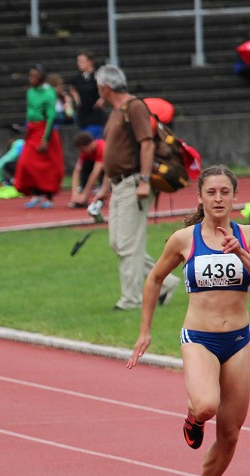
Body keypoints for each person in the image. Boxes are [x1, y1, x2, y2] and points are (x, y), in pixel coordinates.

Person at [128, 166, 250, 476]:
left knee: (230, 433)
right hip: (199, 338)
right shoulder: (184, 239)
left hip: (239, 340)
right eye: (211, 192)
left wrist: (240, 252)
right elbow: (154, 278)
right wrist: (144, 331)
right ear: (200, 197)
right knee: (207, 405)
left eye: (225, 192)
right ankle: (194, 418)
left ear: (235, 197)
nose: (218, 199)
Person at [95, 64, 180, 310]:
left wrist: (143, 181)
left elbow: (146, 144)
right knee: (119, 244)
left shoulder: (134, 107)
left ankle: (130, 299)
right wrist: (104, 188)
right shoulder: (115, 112)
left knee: (128, 245)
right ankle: (165, 283)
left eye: (99, 88)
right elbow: (111, 154)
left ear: (106, 87)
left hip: (133, 183)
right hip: (118, 184)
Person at [13, 65, 63, 209]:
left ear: (41, 77)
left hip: (44, 131)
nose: (31, 79)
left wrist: (45, 139)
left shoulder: (49, 93)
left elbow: (51, 116)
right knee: (25, 163)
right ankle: (35, 193)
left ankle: (48, 196)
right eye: (30, 76)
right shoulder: (30, 92)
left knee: (47, 166)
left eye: (34, 76)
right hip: (32, 130)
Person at [67, 50, 107, 139]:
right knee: (83, 141)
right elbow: (72, 90)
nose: (79, 64)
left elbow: (106, 90)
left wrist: (103, 99)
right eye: (78, 61)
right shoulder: (77, 78)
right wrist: (75, 99)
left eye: (82, 61)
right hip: (82, 115)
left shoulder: (98, 76)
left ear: (90, 62)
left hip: (94, 115)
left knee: (91, 140)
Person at [68, 131, 105, 207]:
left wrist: (85, 194)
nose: (81, 152)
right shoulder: (85, 152)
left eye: (82, 149)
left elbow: (95, 172)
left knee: (104, 170)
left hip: (108, 169)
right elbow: (77, 170)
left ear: (89, 145)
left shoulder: (101, 147)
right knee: (85, 166)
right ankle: (81, 192)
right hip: (94, 165)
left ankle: (101, 193)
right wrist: (74, 192)